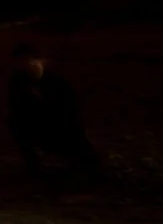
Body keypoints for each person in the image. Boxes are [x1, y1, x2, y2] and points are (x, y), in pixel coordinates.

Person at [8, 44, 100, 181]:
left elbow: (69, 107)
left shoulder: (56, 80)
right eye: (21, 62)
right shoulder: (18, 82)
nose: (27, 65)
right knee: (16, 125)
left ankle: (82, 165)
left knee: (76, 146)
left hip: (61, 122)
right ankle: (34, 165)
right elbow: (16, 107)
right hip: (35, 122)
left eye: (30, 61)